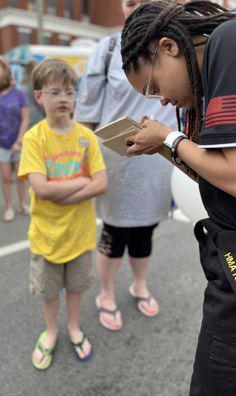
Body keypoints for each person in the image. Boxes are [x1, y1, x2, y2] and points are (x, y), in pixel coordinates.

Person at [120, 1, 236, 396]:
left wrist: (170, 138)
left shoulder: (230, 41)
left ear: (169, 47)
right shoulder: (207, 79)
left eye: (153, 85)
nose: (160, 99)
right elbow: (220, 178)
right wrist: (166, 147)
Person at [74, 0, 177, 331]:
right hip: (117, 162)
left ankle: (140, 285)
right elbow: (86, 117)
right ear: (121, 7)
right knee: (114, 232)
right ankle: (106, 293)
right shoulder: (106, 49)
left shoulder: (173, 46)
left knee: (146, 231)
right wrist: (84, 162)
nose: (136, 7)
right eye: (130, 1)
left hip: (160, 161)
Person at [18, 59, 107, 369]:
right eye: (55, 92)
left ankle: (73, 326)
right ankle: (51, 330)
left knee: (76, 287)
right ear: (38, 96)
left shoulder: (85, 136)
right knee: (49, 291)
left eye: (70, 92)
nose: (64, 99)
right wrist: (83, 182)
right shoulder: (34, 138)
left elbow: (102, 183)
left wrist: (69, 189)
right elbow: (40, 189)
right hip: (47, 237)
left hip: (80, 235)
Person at [0, 55, 29, 222]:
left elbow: (25, 119)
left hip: (18, 143)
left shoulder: (18, 93)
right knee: (5, 178)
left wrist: (19, 141)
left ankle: (22, 204)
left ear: (5, 70)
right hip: (0, 144)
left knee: (21, 177)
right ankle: (9, 207)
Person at [21, 60, 45, 128]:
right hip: (36, 116)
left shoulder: (23, 84)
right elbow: (39, 102)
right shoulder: (33, 84)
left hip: (25, 115)